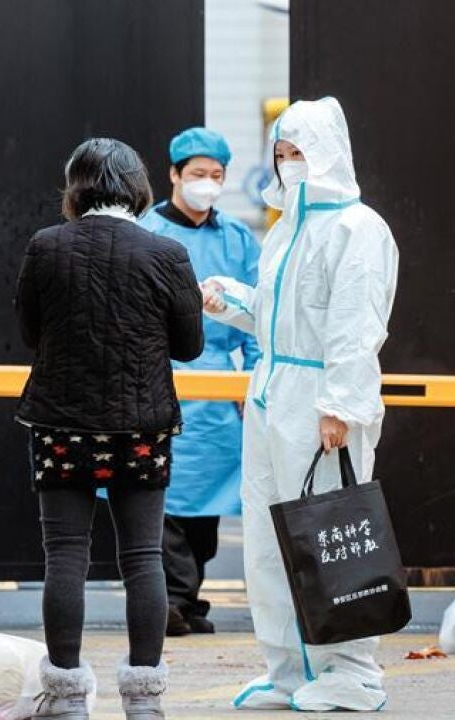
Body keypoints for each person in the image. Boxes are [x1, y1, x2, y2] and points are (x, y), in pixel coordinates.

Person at [199, 97, 399, 712]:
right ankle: (288, 668)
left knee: (331, 537)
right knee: (269, 540)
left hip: (318, 403)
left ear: (329, 154)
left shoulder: (358, 229)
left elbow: (355, 325)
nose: (289, 165)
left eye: (299, 153)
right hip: (271, 394)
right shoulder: (288, 228)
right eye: (281, 154)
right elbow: (276, 313)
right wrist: (230, 299)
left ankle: (352, 672)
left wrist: (340, 405)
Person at [14, 138, 204, 719]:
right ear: (139, 187)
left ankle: (67, 697)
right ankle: (144, 701)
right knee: (143, 557)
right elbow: (190, 346)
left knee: (64, 556)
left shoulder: (46, 246)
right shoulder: (166, 253)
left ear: (76, 187)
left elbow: (30, 334)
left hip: (61, 423)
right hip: (141, 425)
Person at [102, 127, 261, 637]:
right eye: (197, 174)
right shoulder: (146, 232)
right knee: (161, 496)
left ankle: (186, 599)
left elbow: (260, 314)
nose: (206, 183)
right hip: (157, 377)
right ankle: (169, 599)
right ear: (173, 174)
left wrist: (253, 377)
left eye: (216, 175)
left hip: (217, 391)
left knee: (206, 505)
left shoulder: (238, 239)